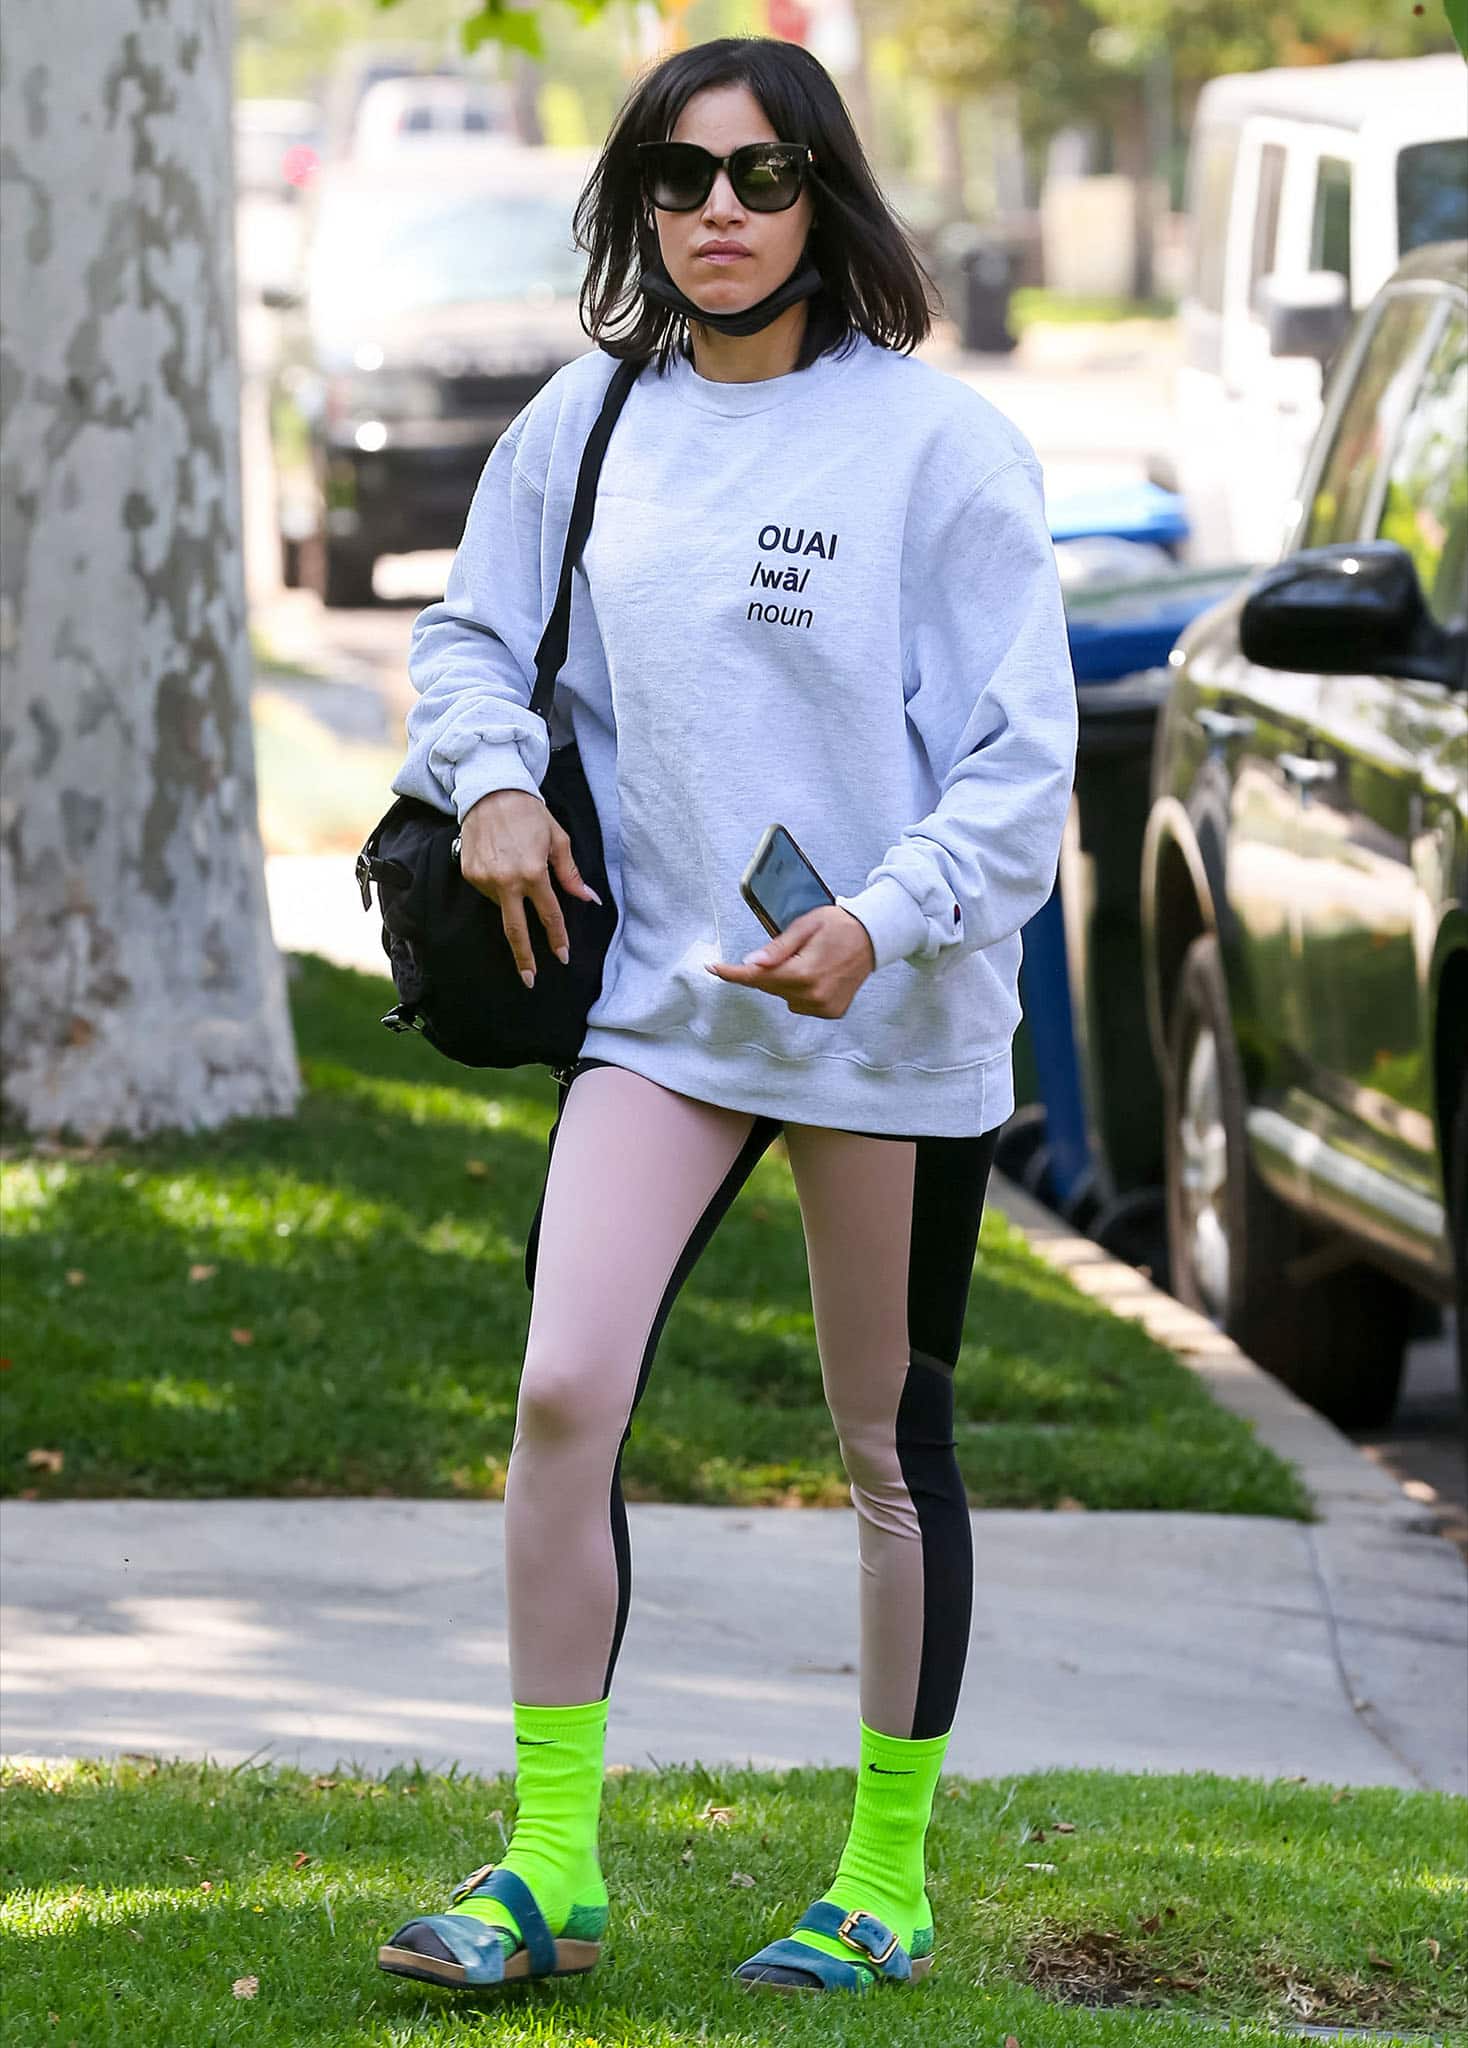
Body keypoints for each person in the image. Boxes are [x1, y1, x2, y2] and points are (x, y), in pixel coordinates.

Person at [376, 33, 1077, 1999]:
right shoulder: (592, 418)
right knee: (557, 1396)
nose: (715, 216)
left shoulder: (936, 451)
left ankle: (879, 1874)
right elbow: (463, 632)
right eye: (678, 182)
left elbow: (1022, 773)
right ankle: (543, 1867)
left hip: (885, 1013)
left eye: (758, 179)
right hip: (666, 1004)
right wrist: (491, 773)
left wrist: (879, 919)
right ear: (636, 206)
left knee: (881, 1445)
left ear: (823, 200)